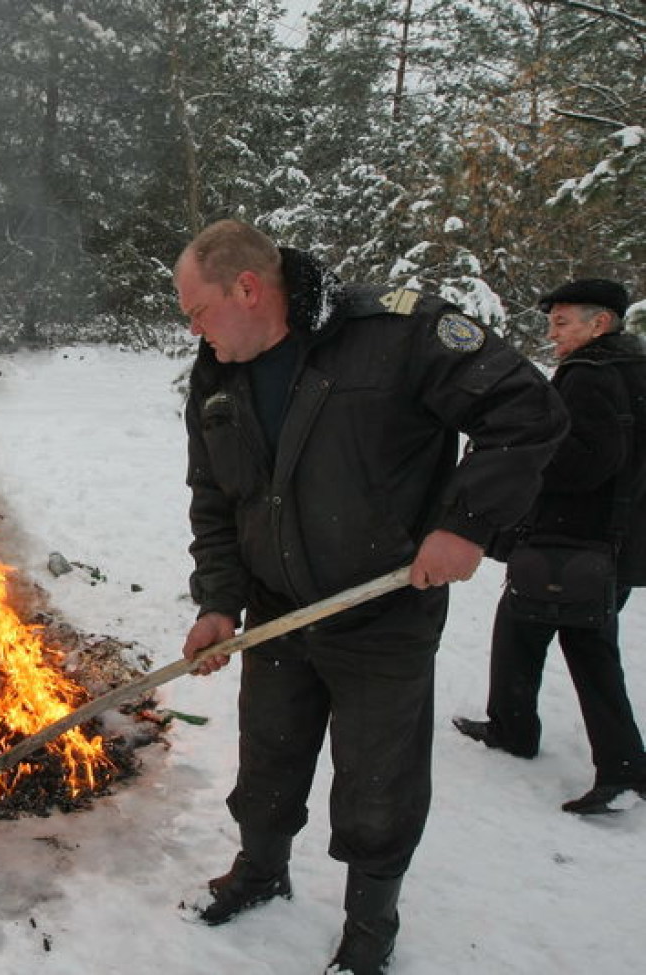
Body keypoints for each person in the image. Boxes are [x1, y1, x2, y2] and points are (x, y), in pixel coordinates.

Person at [174, 220, 567, 975]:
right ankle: (261, 870)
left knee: (377, 783)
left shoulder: (397, 335)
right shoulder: (218, 371)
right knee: (268, 761)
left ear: (247, 288)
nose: (193, 329)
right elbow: (214, 499)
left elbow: (526, 411)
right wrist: (219, 601)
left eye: (197, 310)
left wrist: (467, 524)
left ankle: (370, 923)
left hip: (383, 611)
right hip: (279, 614)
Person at [454, 278, 646, 815]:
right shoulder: (633, 371)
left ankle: (625, 769)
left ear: (600, 323)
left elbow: (590, 459)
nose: (552, 333)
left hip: (576, 540)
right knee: (524, 627)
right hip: (609, 543)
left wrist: (525, 454)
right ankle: (512, 726)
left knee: (585, 645)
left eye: (563, 323)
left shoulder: (590, 375)